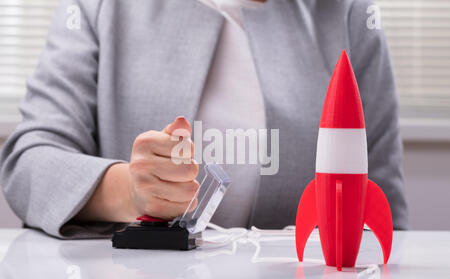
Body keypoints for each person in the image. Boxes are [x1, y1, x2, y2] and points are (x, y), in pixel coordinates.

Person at [0, 0, 408, 239]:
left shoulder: (349, 15)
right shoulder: (100, 7)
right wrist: (131, 191)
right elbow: (29, 163)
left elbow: (384, 208)